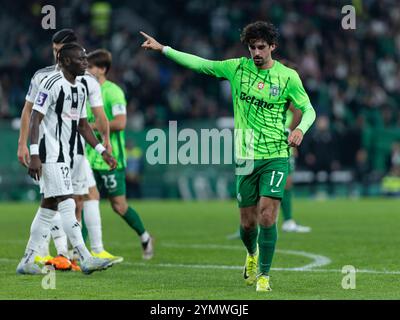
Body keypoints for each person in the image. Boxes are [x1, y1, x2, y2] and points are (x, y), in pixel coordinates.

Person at [140, 21, 316, 292]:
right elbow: (200, 64)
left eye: (261, 47)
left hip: (275, 154)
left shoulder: (288, 76)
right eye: (252, 47)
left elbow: (309, 109)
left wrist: (300, 130)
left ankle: (265, 276)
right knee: (248, 224)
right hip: (245, 155)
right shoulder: (236, 68)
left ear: (272, 47)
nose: (256, 52)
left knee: (268, 216)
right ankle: (252, 253)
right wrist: (164, 49)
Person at [17, 29, 122, 270]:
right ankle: (85, 258)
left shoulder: (82, 86)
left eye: (86, 59)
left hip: (69, 153)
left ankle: (26, 260)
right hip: (49, 154)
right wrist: (34, 153)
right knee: (67, 202)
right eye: (81, 60)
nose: (86, 63)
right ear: (65, 61)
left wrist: (102, 150)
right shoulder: (50, 83)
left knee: (48, 207)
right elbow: (34, 118)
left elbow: (83, 126)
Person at [85, 49, 154, 260]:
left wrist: (91, 127)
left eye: (91, 67)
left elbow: (121, 122)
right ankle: (79, 251)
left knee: (119, 206)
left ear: (103, 69)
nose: (87, 70)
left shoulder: (113, 92)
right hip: (87, 157)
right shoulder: (84, 90)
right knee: (84, 200)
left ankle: (145, 236)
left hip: (109, 158)